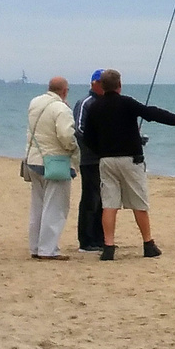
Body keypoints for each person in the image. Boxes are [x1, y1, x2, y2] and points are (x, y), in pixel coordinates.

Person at [79, 68, 175, 260]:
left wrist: (101, 151)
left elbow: (87, 137)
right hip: (131, 160)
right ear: (119, 85)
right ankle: (148, 244)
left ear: (102, 86)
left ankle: (108, 247)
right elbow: (151, 113)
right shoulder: (126, 103)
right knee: (139, 202)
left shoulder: (95, 107)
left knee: (109, 205)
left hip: (106, 161)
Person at [24, 76, 79, 260]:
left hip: (33, 159)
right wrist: (73, 148)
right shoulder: (61, 108)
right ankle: (48, 249)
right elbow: (66, 135)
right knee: (55, 208)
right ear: (64, 91)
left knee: (37, 206)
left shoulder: (35, 102)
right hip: (54, 162)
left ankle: (35, 247)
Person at [72, 70, 106, 252]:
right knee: (90, 199)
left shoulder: (107, 103)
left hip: (107, 159)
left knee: (104, 200)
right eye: (101, 82)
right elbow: (78, 129)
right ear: (94, 83)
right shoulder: (85, 102)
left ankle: (100, 238)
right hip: (90, 159)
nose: (104, 86)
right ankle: (86, 240)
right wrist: (97, 145)